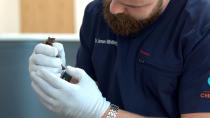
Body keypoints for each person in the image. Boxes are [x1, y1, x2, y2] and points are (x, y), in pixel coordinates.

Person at [29, 0, 210, 117]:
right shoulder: (96, 13)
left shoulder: (201, 25)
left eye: (131, 4)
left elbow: (93, 107)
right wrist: (59, 76)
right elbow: (87, 91)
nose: (113, 9)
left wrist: (103, 112)